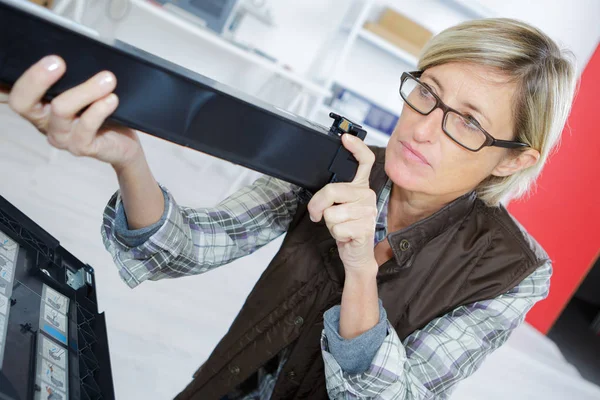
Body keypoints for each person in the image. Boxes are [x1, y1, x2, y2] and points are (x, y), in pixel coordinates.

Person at [1, 16, 577, 400]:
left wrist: (359, 269)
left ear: (513, 161)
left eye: (468, 123)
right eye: (427, 91)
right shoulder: (336, 161)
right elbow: (192, 245)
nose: (423, 129)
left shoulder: (514, 272)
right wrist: (128, 158)